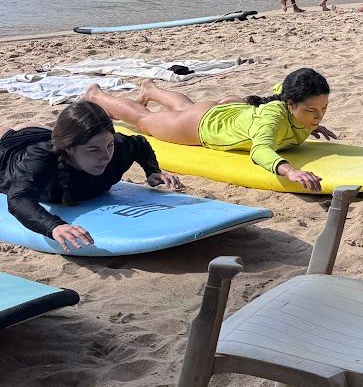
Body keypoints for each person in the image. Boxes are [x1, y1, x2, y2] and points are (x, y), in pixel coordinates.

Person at [84, 69, 335, 192]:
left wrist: (307, 123)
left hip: (230, 112)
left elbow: (283, 91)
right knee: (144, 119)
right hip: (202, 125)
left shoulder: (294, 106)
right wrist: (290, 171)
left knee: (184, 108)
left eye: (323, 108)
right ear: (290, 104)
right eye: (311, 111)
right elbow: (260, 151)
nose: (318, 115)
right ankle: (95, 95)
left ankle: (151, 90)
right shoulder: (273, 118)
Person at [0, 99, 185, 252]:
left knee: (31, 128)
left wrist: (152, 171)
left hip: (42, 134)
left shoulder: (116, 150)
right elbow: (18, 198)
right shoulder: (42, 161)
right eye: (94, 150)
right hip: (7, 151)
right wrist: (54, 226)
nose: (105, 156)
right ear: (69, 148)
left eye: (109, 145)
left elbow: (140, 143)